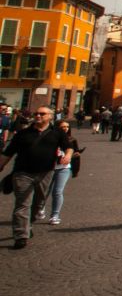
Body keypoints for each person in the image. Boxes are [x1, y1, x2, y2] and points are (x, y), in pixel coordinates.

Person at [0, 106, 74, 248]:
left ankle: (28, 224)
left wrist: (68, 156)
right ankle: (21, 235)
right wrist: (2, 164)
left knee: (39, 203)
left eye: (42, 114)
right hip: (22, 172)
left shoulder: (57, 133)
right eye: (36, 113)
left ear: (50, 117)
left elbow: (68, 146)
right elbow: (8, 152)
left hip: (45, 173)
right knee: (22, 204)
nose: (38, 116)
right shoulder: (23, 133)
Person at [39, 119, 81, 225]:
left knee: (57, 192)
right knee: (44, 191)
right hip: (49, 167)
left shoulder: (71, 139)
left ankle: (55, 215)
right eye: (63, 127)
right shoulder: (50, 137)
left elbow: (75, 153)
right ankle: (40, 208)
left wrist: (74, 158)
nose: (65, 129)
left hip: (64, 168)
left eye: (67, 127)